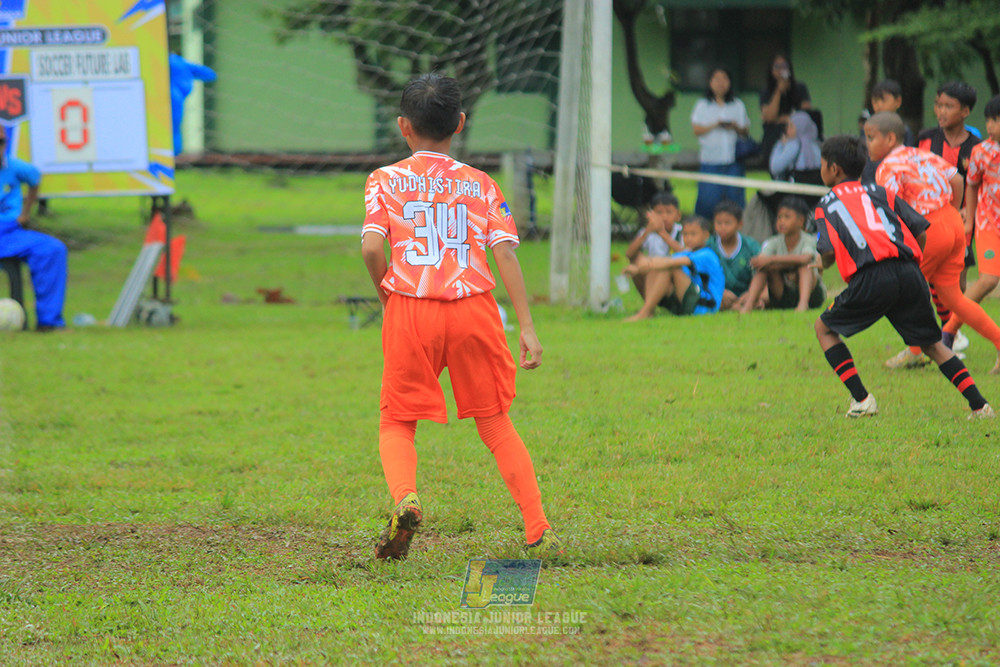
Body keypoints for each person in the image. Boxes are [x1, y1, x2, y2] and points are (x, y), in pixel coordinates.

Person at [360, 74, 560, 561]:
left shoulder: (383, 180)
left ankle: (407, 499)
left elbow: (371, 247)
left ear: (404, 127)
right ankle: (539, 529)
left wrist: (389, 294)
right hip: (474, 309)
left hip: (412, 308)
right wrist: (528, 327)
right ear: (461, 124)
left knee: (397, 421)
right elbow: (506, 255)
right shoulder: (481, 183)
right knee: (495, 424)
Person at [812, 134, 993, 419]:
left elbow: (827, 252)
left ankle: (861, 399)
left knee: (823, 328)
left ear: (833, 169)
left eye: (821, 164)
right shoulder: (880, 191)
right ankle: (980, 405)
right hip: (909, 270)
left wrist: (820, 263)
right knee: (932, 344)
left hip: (870, 276)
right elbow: (919, 229)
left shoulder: (826, 204)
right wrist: (911, 262)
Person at [865, 112, 1000, 373]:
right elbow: (957, 179)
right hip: (952, 222)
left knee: (904, 291)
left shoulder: (888, 167)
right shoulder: (922, 154)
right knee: (953, 298)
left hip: (927, 229)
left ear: (890, 138)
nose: (867, 143)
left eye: (871, 138)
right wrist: (953, 210)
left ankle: (916, 351)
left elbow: (894, 209)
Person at [917, 81, 982, 351]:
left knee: (957, 281)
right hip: (930, 221)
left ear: (965, 111)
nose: (941, 111)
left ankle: (951, 333)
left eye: (948, 106)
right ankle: (943, 335)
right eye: (938, 105)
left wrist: (968, 209)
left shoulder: (978, 147)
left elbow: (981, 184)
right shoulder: (926, 139)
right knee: (930, 277)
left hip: (965, 223)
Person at [941, 95, 1000, 348]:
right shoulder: (981, 152)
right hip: (989, 225)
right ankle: (950, 330)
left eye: (996, 120)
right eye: (988, 120)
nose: (990, 125)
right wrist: (970, 220)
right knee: (988, 280)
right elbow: (972, 185)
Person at [0, 131, 67, 331]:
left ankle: (49, 321)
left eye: (1, 142)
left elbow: (35, 179)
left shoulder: (14, 166)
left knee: (52, 249)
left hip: (10, 233)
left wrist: (25, 213)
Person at [622, 215, 725, 321]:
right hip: (687, 300)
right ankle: (648, 310)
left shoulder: (707, 254)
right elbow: (661, 260)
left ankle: (645, 312)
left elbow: (674, 262)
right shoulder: (686, 253)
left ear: (706, 235)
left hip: (705, 306)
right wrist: (639, 265)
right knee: (653, 264)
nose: (688, 238)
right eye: (685, 234)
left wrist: (642, 267)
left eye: (693, 234)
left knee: (669, 267)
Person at [736, 196, 825, 313]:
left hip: (813, 295)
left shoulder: (808, 240)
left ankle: (803, 304)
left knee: (805, 267)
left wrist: (773, 260)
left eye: (787, 217)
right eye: (779, 217)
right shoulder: (774, 242)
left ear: (801, 221)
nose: (781, 221)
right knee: (764, 267)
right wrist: (772, 263)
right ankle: (749, 305)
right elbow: (761, 261)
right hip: (783, 294)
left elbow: (805, 258)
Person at [690, 67, 750, 219]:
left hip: (733, 160)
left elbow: (745, 130)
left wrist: (735, 126)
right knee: (707, 200)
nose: (721, 83)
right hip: (710, 160)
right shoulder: (702, 105)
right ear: (710, 82)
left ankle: (735, 231)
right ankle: (705, 230)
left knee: (735, 200)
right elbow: (696, 129)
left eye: (724, 79)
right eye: (717, 79)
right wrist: (716, 124)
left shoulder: (737, 104)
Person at [625, 191, 683, 299]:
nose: (664, 217)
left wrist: (662, 233)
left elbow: (686, 254)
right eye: (659, 213)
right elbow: (629, 254)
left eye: (669, 212)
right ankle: (648, 304)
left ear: (678, 215)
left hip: (675, 275)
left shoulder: (682, 232)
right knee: (635, 261)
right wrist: (647, 232)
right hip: (653, 272)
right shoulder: (648, 232)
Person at [709, 200, 760, 310]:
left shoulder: (751, 246)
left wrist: (751, 294)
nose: (722, 227)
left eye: (727, 223)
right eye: (718, 223)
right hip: (717, 293)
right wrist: (718, 291)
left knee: (764, 295)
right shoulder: (709, 245)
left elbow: (760, 274)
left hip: (746, 294)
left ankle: (747, 303)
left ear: (740, 224)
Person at [759, 54, 812, 162]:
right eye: (777, 66)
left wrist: (785, 118)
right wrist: (778, 91)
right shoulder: (766, 91)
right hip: (773, 138)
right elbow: (769, 117)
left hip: (797, 137)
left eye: (784, 66)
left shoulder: (799, 88)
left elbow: (806, 113)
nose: (780, 70)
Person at [169, 53, 217, 155]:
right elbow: (210, 74)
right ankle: (173, 155)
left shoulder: (175, 61)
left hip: (167, 97)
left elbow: (210, 74)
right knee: (174, 128)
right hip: (176, 97)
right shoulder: (179, 62)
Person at [768, 110, 823, 183]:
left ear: (799, 127)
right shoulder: (816, 146)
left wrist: (780, 145)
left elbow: (775, 167)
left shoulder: (793, 145)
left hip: (795, 190)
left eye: (791, 126)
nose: (787, 130)